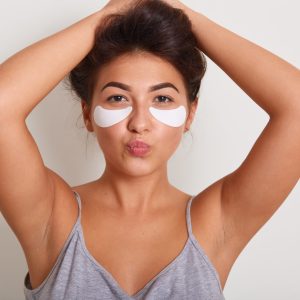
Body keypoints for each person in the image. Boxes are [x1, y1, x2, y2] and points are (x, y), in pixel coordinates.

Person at [0, 0, 299, 299]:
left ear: (190, 114)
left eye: (163, 99)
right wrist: (107, 17)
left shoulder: (217, 221)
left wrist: (187, 19)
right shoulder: (51, 217)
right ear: (88, 114)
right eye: (118, 98)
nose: (139, 123)